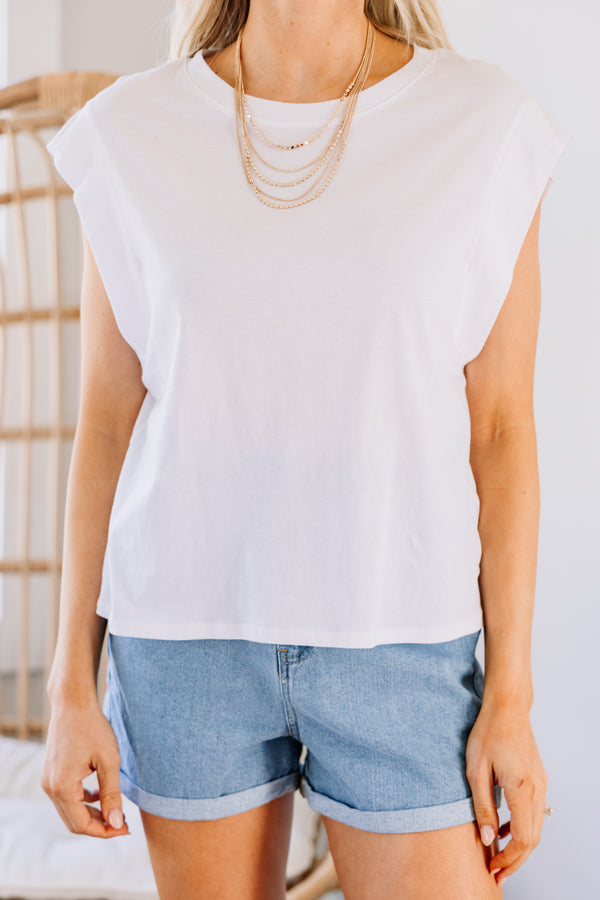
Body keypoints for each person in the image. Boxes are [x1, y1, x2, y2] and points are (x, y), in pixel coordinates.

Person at [41, 1, 572, 897]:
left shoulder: (486, 127)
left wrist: (511, 698)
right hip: (183, 643)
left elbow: (501, 431)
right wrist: (70, 686)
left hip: (404, 643)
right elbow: (105, 423)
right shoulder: (130, 132)